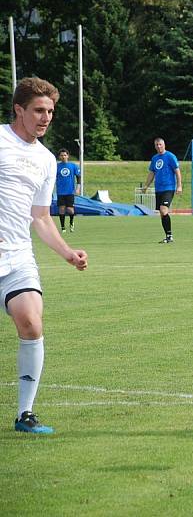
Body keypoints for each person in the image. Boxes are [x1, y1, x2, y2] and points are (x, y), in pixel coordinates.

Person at [1, 77, 88, 434]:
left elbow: (40, 216)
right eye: (39, 110)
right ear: (19, 110)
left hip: (17, 255)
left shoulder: (47, 160)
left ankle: (26, 414)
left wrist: (67, 253)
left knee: (31, 322)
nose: (46, 117)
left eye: (50, 111)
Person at [142, 137, 182, 243]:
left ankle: (170, 236)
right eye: (156, 145)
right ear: (155, 146)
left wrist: (179, 186)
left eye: (160, 144)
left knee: (164, 210)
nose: (159, 146)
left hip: (169, 187)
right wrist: (146, 185)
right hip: (158, 188)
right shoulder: (155, 158)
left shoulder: (170, 156)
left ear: (164, 145)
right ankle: (168, 236)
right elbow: (152, 173)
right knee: (161, 212)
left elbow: (177, 171)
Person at [55, 148, 81, 233]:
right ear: (59, 157)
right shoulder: (56, 166)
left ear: (68, 156)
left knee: (70, 209)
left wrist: (78, 188)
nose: (63, 157)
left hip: (70, 191)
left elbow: (78, 177)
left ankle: (71, 222)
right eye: (61, 155)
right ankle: (63, 227)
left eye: (65, 155)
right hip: (60, 191)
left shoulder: (73, 166)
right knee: (61, 209)